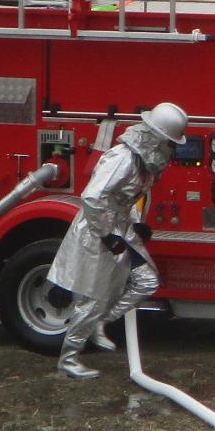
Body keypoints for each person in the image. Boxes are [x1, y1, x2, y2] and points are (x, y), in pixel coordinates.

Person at [48, 102, 188, 379]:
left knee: (144, 281)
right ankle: (69, 359)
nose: (171, 150)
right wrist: (108, 235)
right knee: (93, 298)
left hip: (120, 228)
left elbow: (131, 198)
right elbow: (93, 197)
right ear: (156, 138)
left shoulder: (142, 162)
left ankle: (101, 323)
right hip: (97, 232)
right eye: (169, 143)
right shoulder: (123, 158)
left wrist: (136, 225)